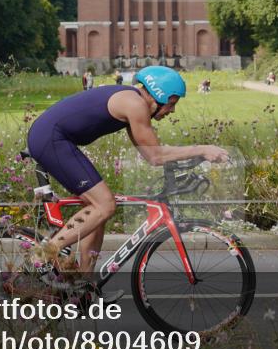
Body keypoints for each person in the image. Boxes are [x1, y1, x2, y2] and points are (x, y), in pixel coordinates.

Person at [26, 66, 228, 280]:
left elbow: (150, 156)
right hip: (51, 139)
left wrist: (189, 157)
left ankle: (83, 284)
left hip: (53, 137)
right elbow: (156, 155)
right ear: (159, 95)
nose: (172, 111)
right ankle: (40, 256)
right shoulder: (135, 104)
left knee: (97, 210)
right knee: (105, 205)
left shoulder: (133, 101)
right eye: (172, 103)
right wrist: (202, 149)